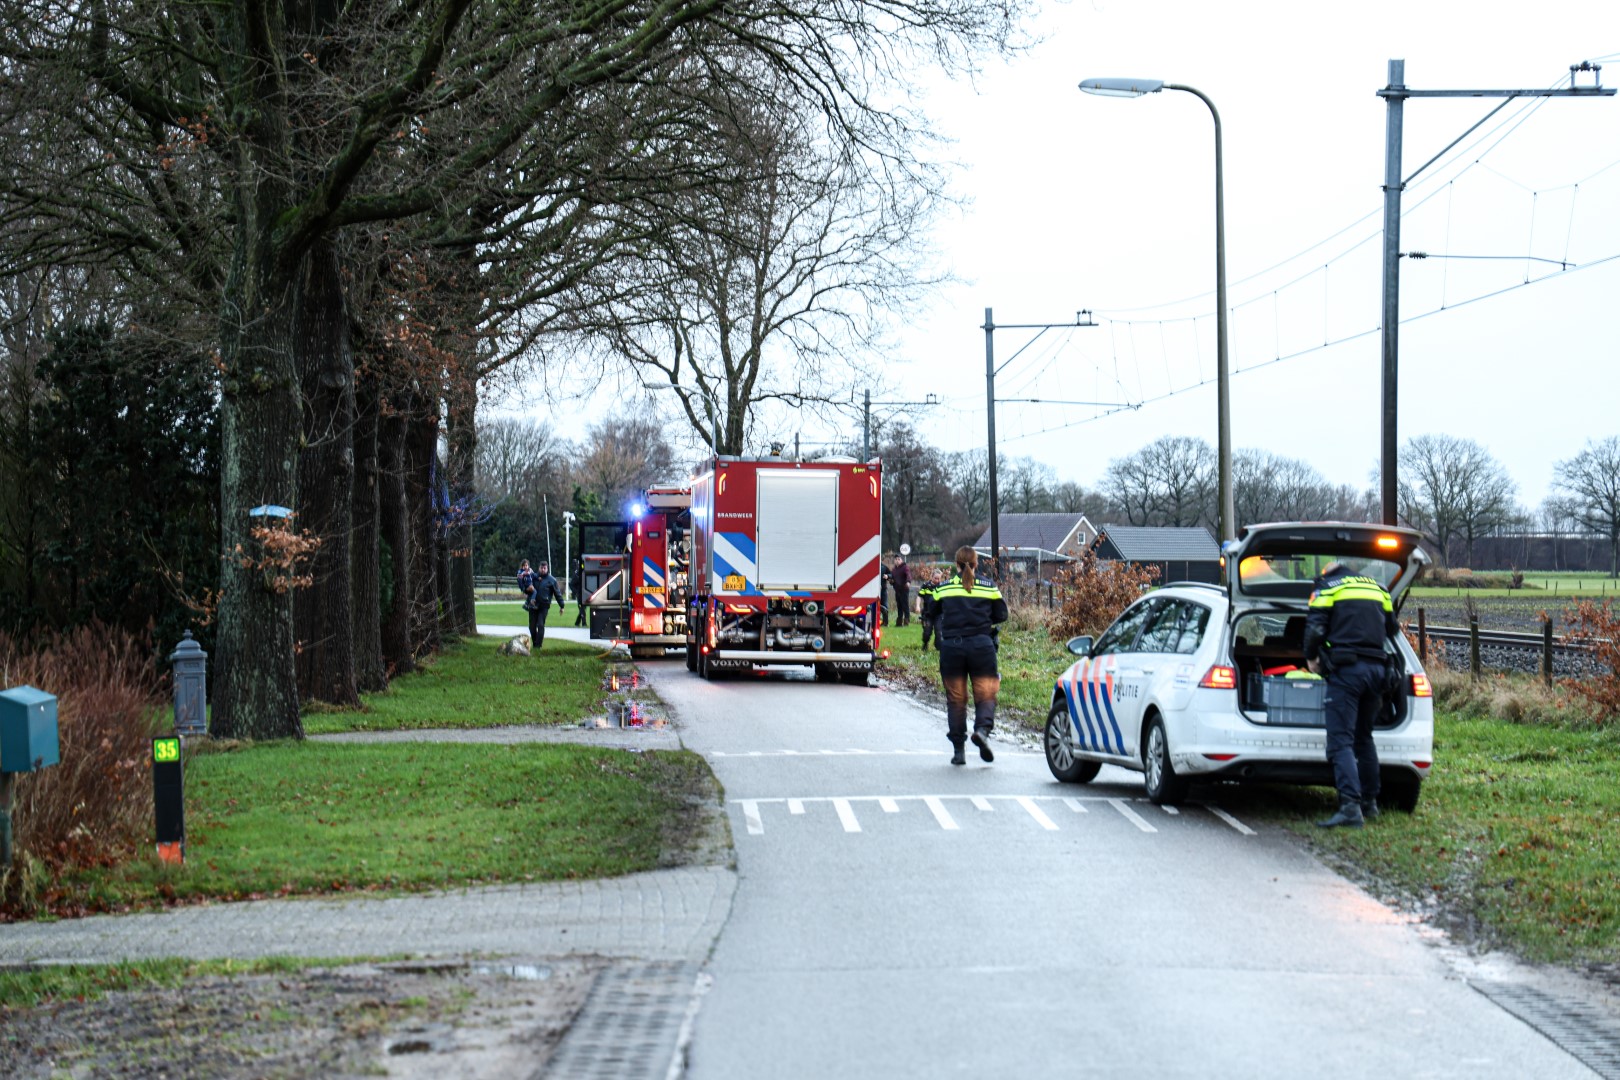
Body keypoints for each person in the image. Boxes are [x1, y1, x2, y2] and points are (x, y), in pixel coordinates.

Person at [1303, 560, 1399, 828]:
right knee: (1363, 738)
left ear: (1325, 572)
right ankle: (1370, 803)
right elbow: (1392, 629)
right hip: (1377, 672)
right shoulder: (1378, 588)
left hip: (1347, 673)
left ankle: (1349, 807)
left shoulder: (1327, 587)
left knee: (1340, 741)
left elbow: (1315, 630)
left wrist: (1311, 658)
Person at [923, 547, 1008, 766]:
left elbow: (931, 611)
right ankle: (981, 730)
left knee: (956, 699)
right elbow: (1002, 614)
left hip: (952, 648)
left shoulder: (943, 587)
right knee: (986, 693)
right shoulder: (989, 587)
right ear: (977, 564)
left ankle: (959, 750)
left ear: (956, 564)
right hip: (982, 646)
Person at [522, 559, 566, 649]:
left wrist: (562, 606)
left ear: (547, 569)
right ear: (539, 568)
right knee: (532, 627)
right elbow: (526, 587)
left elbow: (557, 594)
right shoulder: (533, 577)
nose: (543, 570)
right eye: (541, 568)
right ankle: (535, 643)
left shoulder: (552, 580)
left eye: (544, 568)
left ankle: (538, 646)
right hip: (533, 604)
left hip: (544, 606)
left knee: (540, 625)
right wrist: (526, 590)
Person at [917, 568, 943, 652]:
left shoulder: (942, 586)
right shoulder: (925, 586)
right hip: (927, 614)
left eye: (939, 578)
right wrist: (917, 605)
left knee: (939, 632)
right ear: (931, 577)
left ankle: (938, 647)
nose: (937, 580)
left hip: (939, 614)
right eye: (936, 578)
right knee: (927, 632)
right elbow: (919, 596)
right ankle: (925, 644)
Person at [892, 554, 912, 626]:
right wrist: (891, 581)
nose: (897, 561)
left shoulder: (905, 567)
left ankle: (906, 621)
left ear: (901, 560)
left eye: (899, 559)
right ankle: (899, 622)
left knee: (905, 605)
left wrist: (908, 582)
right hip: (897, 590)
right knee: (899, 606)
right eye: (896, 559)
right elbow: (893, 579)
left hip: (904, 589)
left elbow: (908, 575)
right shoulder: (894, 570)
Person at [571, 560, 587, 627]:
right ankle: (584, 623)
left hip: (585, 594)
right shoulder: (577, 574)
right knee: (582, 609)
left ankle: (577, 623)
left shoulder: (585, 572)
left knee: (583, 609)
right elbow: (571, 584)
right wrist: (576, 592)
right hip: (580, 594)